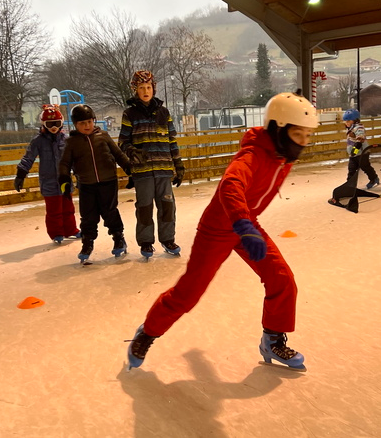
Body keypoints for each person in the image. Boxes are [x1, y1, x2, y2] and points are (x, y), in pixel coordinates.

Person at [126, 91, 318, 371]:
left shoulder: (281, 154)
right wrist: (241, 223)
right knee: (188, 294)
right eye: (298, 135)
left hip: (247, 225)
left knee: (282, 278)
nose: (303, 143)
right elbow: (231, 186)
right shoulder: (253, 156)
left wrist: (246, 225)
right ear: (278, 129)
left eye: (307, 136)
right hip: (219, 229)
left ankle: (273, 339)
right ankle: (147, 332)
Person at [119, 70, 185, 259]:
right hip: (143, 171)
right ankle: (146, 242)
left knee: (167, 206)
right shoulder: (129, 114)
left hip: (164, 169)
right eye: (141, 87)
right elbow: (123, 142)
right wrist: (132, 152)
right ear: (135, 90)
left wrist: (178, 165)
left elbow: (172, 142)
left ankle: (168, 239)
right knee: (145, 208)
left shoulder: (164, 112)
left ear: (153, 89)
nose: (145, 90)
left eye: (148, 87)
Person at [58, 104, 131, 263]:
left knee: (110, 212)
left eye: (90, 122)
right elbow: (64, 163)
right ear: (76, 125)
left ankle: (119, 238)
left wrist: (128, 167)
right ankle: (87, 243)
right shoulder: (72, 142)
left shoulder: (103, 136)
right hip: (86, 185)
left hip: (108, 182)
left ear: (94, 121)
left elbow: (118, 154)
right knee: (88, 217)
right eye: (82, 123)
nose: (87, 126)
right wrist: (64, 178)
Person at [14, 104, 80, 244]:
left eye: (56, 123)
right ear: (44, 124)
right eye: (50, 124)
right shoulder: (38, 141)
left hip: (65, 181)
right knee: (54, 210)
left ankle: (71, 230)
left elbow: (73, 159)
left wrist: (78, 174)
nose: (54, 127)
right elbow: (28, 157)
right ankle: (56, 233)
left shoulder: (65, 139)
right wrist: (21, 174)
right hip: (49, 181)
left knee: (68, 208)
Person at [342, 108, 379, 189]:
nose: (346, 123)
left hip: (362, 153)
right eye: (345, 121)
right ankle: (349, 184)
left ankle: (374, 178)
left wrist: (354, 150)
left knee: (365, 166)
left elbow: (360, 141)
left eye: (348, 121)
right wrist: (352, 153)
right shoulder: (350, 128)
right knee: (351, 169)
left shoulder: (359, 127)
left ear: (355, 120)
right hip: (353, 154)